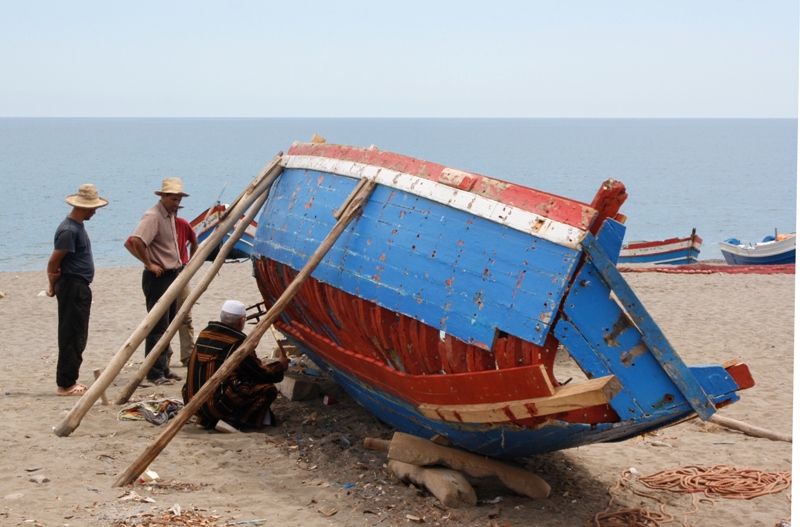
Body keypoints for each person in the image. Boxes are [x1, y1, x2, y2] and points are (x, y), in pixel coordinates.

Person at [182, 300, 290, 432]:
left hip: (192, 403)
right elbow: (260, 373)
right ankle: (232, 421)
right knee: (267, 389)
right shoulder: (239, 343)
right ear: (241, 321)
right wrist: (279, 365)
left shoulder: (204, 334)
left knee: (227, 380)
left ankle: (207, 420)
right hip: (214, 405)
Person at [124, 177, 188, 385]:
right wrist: (149, 264)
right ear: (163, 197)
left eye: (178, 199)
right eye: (172, 199)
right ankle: (154, 373)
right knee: (157, 326)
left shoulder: (170, 215)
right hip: (157, 277)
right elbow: (135, 241)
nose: (176, 203)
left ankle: (163, 367)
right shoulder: (153, 216)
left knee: (168, 324)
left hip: (171, 275)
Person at [47, 183, 108, 396]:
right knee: (71, 334)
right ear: (83, 207)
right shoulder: (69, 229)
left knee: (78, 334)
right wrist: (52, 285)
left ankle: (69, 379)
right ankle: (66, 384)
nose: (94, 212)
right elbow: (54, 262)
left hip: (79, 286)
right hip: (72, 286)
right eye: (92, 208)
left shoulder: (78, 227)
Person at [174, 208, 198, 367]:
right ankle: (163, 357)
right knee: (163, 319)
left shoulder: (181, 223)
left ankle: (188, 356)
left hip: (180, 271)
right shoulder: (156, 222)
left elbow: (194, 241)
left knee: (185, 315)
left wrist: (190, 262)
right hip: (163, 273)